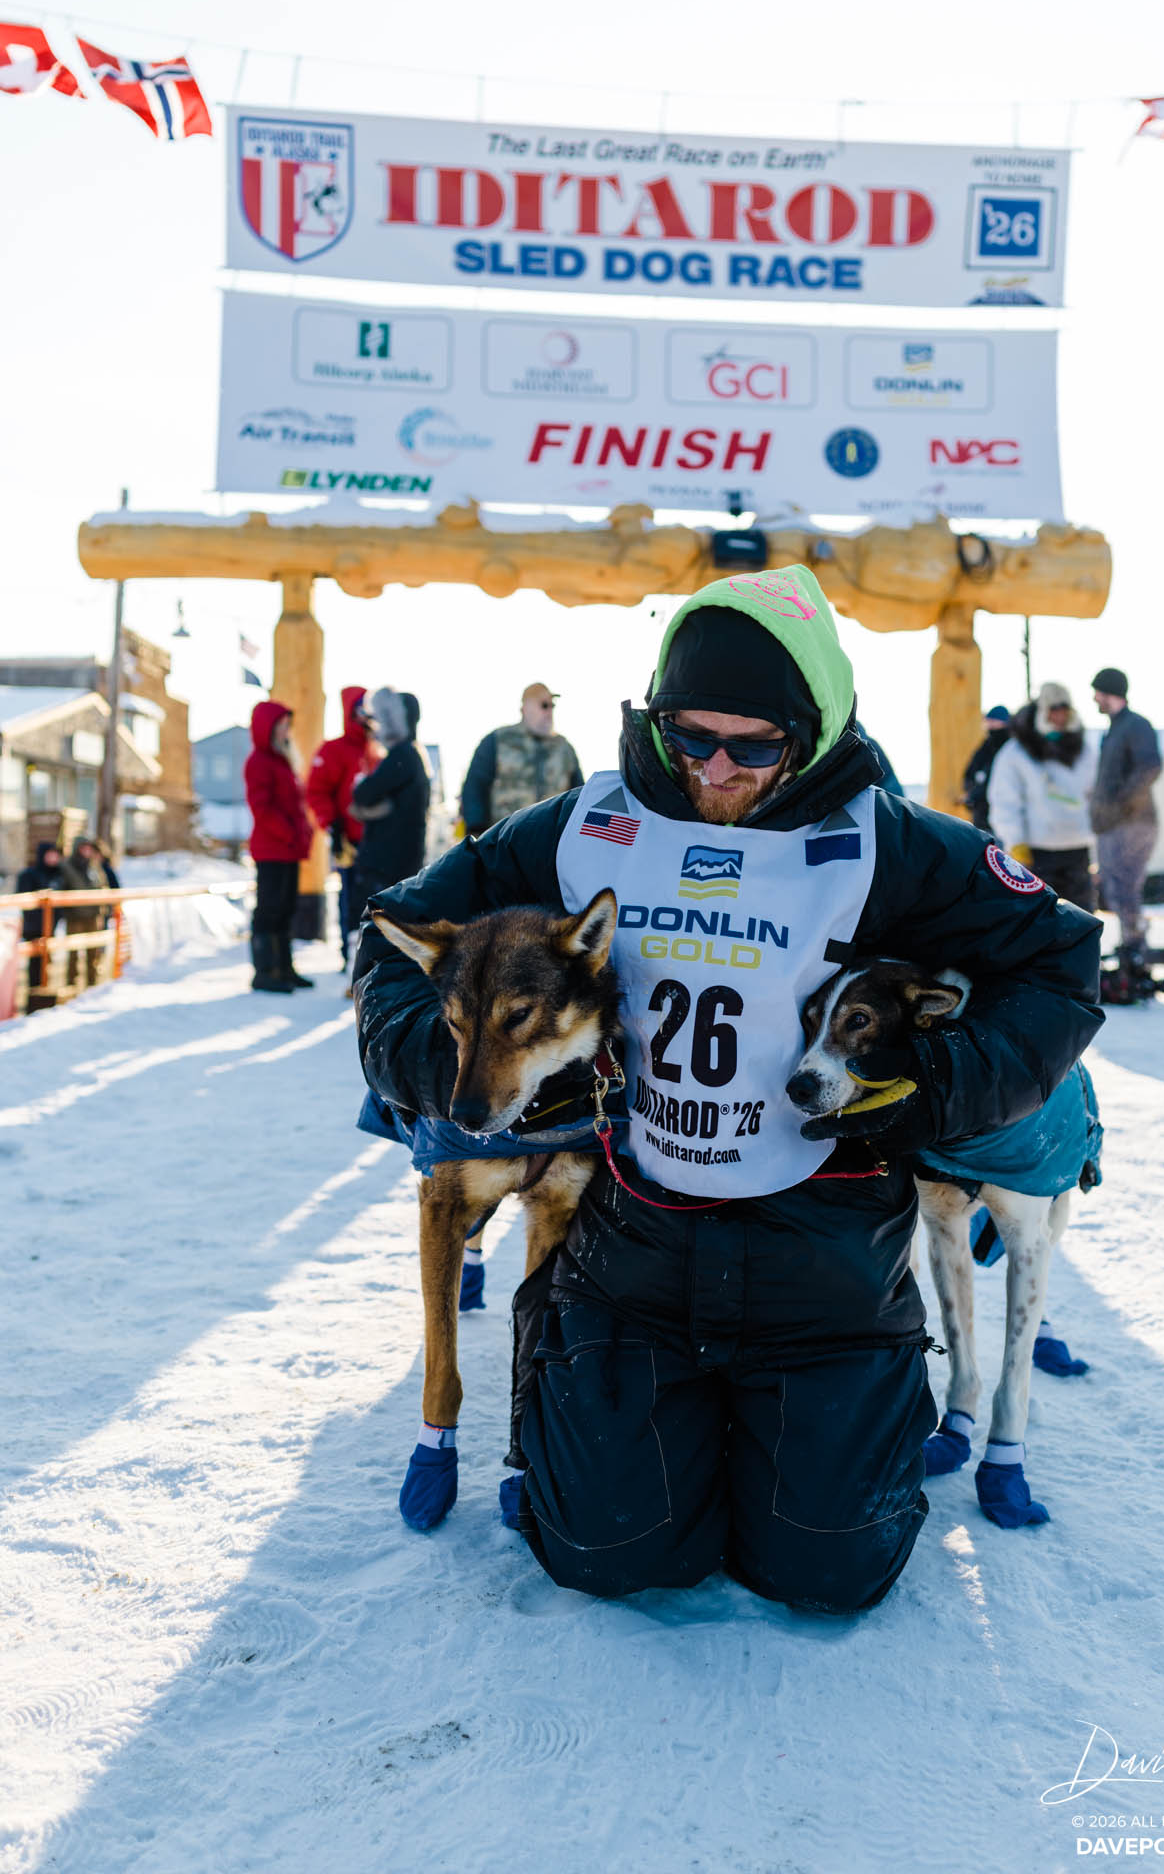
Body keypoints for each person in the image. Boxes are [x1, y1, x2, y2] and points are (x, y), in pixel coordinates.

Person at [354, 566, 1102, 1613]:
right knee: (606, 1551)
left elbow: (1061, 962)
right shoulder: (588, 823)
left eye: (753, 746)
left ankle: (823, 1430)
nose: (714, 767)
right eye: (688, 735)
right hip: (639, 1242)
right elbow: (394, 933)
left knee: (831, 1569)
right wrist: (445, 1068)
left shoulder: (884, 840)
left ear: (811, 732)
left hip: (823, 1245)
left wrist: (934, 1087)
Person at [985, 684, 1098, 909]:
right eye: (1054, 710)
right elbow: (1005, 802)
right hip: (1037, 852)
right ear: (1042, 712)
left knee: (1083, 915)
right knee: (1042, 914)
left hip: (1078, 847)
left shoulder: (1083, 750)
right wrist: (1015, 843)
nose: (1059, 716)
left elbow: (1094, 794)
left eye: (1064, 710)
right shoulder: (1017, 753)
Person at [1090, 668, 1162, 957]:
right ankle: (1130, 947)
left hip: (1133, 823)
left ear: (1110, 692)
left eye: (1097, 692)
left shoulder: (1135, 725)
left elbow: (1150, 767)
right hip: (1113, 824)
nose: (1094, 698)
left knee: (1125, 887)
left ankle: (1135, 949)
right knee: (1115, 888)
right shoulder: (1114, 729)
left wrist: (1120, 803)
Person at [307, 685, 380, 973]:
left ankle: (374, 952)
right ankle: (349, 953)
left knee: (377, 898)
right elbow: (316, 791)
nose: (367, 717)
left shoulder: (377, 749)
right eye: (361, 710)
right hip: (348, 840)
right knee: (350, 897)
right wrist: (332, 824)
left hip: (378, 841)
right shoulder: (334, 750)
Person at [244, 699, 315, 994]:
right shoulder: (258, 762)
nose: (287, 730)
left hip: (288, 849)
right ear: (268, 728)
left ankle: (284, 968)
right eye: (281, 725)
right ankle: (264, 971)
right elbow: (261, 808)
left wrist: (303, 833)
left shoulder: (283, 760)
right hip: (272, 849)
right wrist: (289, 833)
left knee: (286, 909)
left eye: (287, 725)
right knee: (269, 909)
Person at [460, 684, 582, 839]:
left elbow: (579, 795)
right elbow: (475, 786)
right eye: (544, 705)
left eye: (552, 706)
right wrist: (477, 830)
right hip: (504, 840)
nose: (549, 712)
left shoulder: (564, 748)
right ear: (525, 708)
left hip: (552, 842)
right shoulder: (498, 741)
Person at [350, 688, 431, 911]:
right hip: (400, 861)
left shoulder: (402, 755)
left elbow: (363, 794)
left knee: (374, 923)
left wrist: (364, 797)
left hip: (387, 864)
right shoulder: (413, 754)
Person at [60, 835, 120, 988]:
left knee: (93, 952)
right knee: (73, 951)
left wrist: (103, 906)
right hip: (74, 915)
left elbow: (103, 885)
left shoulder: (94, 866)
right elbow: (65, 887)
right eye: (83, 848)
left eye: (88, 848)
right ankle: (71, 984)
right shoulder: (67, 866)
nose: (86, 851)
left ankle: (92, 985)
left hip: (93, 915)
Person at [961, 705, 1012, 833]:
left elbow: (995, 780)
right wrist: (971, 793)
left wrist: (974, 794)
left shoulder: (1010, 749)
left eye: (993, 721)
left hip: (1003, 815)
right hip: (982, 814)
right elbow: (970, 773)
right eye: (988, 721)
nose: (989, 725)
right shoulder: (987, 745)